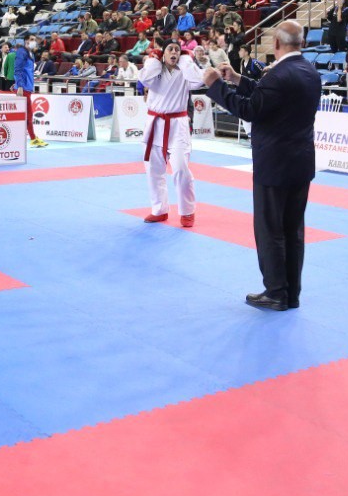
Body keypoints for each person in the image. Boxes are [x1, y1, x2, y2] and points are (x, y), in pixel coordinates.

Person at [202, 20, 319, 311]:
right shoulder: (309, 71)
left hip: (274, 163)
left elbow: (250, 108)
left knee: (270, 230)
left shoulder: (278, 75)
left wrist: (216, 86)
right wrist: (238, 79)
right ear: (302, 43)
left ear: (276, 44)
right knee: (293, 230)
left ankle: (276, 292)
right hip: (301, 162)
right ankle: (291, 293)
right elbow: (269, 96)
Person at [137, 41, 205, 228]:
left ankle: (187, 211)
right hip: (155, 124)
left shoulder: (184, 72)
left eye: (177, 50)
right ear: (163, 54)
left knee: (181, 170)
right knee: (153, 170)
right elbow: (144, 78)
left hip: (177, 125)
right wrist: (154, 60)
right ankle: (159, 209)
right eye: (170, 49)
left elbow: (199, 80)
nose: (174, 52)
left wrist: (187, 59)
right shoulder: (155, 70)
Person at [13, 34, 48, 148]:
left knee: (27, 114)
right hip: (23, 88)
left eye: (34, 40)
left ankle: (29, 137)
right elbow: (17, 69)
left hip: (27, 86)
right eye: (32, 39)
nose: (34, 41)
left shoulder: (30, 53)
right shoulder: (21, 52)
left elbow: (25, 70)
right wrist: (19, 86)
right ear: (26, 41)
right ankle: (33, 139)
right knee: (28, 114)